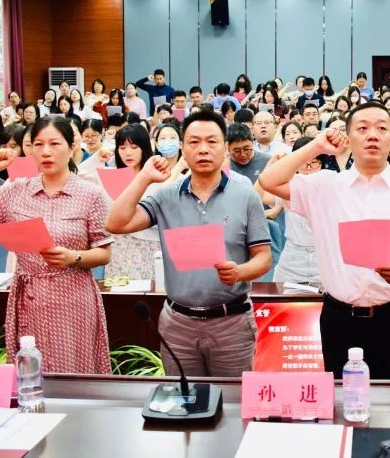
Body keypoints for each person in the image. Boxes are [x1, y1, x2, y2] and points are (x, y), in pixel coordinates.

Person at [259, 101, 390, 379]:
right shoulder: (325, 185)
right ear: (348, 137)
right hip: (339, 316)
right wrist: (316, 146)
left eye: (382, 128)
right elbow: (269, 181)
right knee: (340, 396)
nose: (373, 135)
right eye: (363, 128)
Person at [105, 110, 272, 377]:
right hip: (178, 324)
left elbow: (263, 256)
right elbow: (115, 223)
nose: (203, 149)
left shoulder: (246, 196)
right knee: (182, 398)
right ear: (183, 148)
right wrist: (144, 177)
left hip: (231, 323)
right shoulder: (165, 196)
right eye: (194, 142)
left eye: (212, 141)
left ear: (225, 149)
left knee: (232, 398)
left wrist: (240, 272)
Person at [0, 117, 114, 373]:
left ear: (72, 147)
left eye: (54, 144)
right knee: (31, 372)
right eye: (38, 144)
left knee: (73, 368)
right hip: (28, 296)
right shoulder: (17, 190)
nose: (46, 152)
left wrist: (73, 257)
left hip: (73, 297)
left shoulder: (89, 194)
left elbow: (104, 253)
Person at [102, 124, 162, 280]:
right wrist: (96, 159)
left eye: (134, 147)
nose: (128, 153)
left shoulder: (157, 177)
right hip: (119, 247)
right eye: (122, 148)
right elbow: (80, 175)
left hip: (149, 246)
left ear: (144, 147)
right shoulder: (111, 176)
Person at [269, 137, 321, 285]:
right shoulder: (287, 185)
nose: (309, 167)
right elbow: (260, 194)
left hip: (322, 256)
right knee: (282, 296)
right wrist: (272, 164)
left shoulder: (329, 183)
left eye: (314, 162)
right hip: (292, 257)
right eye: (304, 162)